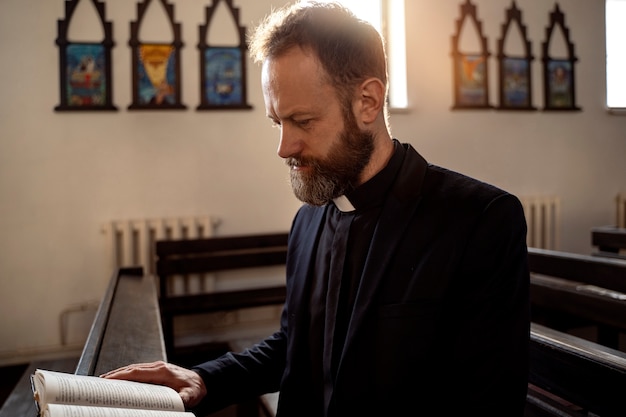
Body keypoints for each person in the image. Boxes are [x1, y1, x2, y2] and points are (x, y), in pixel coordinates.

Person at [102, 2, 530, 415]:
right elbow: (298, 343)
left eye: (303, 122)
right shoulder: (309, 220)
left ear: (367, 101)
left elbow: (487, 402)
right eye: (277, 122)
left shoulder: (478, 220)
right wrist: (207, 380)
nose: (284, 147)